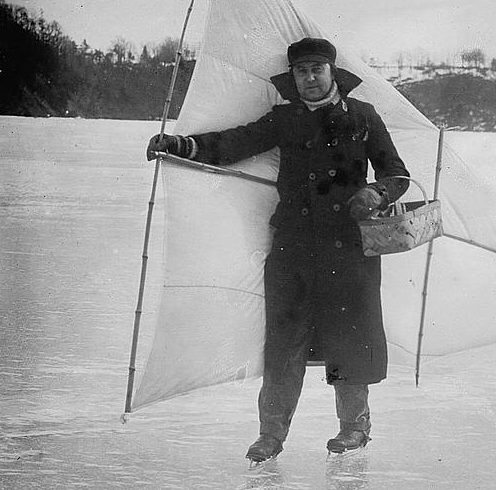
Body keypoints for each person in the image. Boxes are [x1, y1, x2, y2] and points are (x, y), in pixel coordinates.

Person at [147, 37, 409, 462]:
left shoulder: (363, 117)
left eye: (316, 70)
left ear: (332, 73)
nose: (309, 78)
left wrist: (375, 194)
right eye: (301, 72)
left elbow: (397, 174)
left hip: (349, 251)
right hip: (293, 248)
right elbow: (233, 143)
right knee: (284, 344)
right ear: (293, 77)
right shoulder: (285, 119)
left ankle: (355, 428)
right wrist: (177, 145)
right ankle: (270, 435)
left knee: (349, 341)